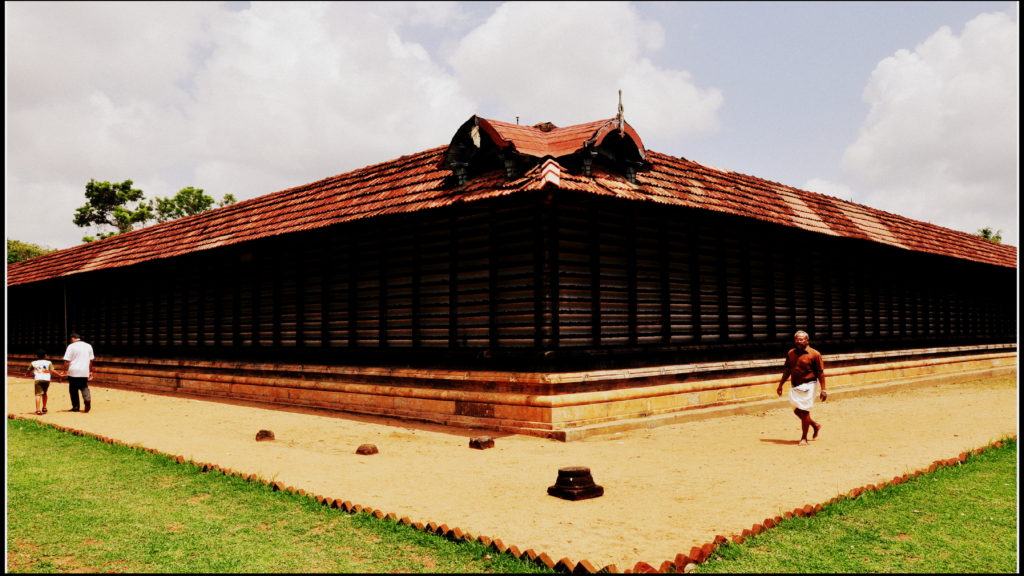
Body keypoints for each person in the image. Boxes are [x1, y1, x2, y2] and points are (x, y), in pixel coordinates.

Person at [776, 330, 827, 446]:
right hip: (795, 386)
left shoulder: (815, 354)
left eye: (801, 339)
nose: (799, 341)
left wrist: (824, 389)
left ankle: (804, 437)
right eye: (797, 339)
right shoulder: (791, 353)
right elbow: (787, 370)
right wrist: (780, 385)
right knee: (796, 410)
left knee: (804, 411)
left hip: (809, 385)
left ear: (807, 340)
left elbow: (820, 373)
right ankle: (815, 425)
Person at [63, 332, 95, 413]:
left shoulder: (71, 346)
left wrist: (64, 371)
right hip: (84, 371)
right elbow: (91, 361)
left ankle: (76, 407)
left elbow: (67, 361)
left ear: (72, 338)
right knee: (84, 386)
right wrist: (90, 371)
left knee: (73, 389)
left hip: (73, 371)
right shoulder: (88, 346)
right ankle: (87, 399)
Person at [27, 349, 56, 415]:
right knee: (44, 393)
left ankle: (38, 410)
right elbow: (52, 371)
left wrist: (26, 374)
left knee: (38, 394)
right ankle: (44, 407)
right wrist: (60, 375)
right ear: (45, 356)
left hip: (38, 379)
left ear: (36, 356)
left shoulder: (33, 363)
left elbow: (29, 371)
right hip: (47, 380)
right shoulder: (49, 362)